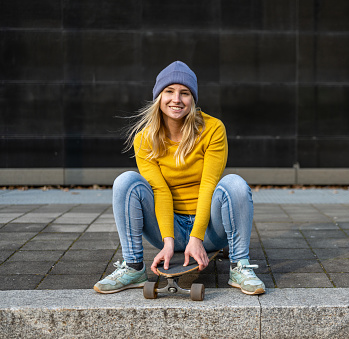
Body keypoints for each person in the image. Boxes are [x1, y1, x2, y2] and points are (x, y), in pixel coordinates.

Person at [93, 61, 265, 295]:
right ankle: (133, 267)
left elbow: (208, 186)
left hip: (209, 231)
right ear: (158, 97)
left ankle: (240, 266)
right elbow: (160, 191)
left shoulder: (213, 129)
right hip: (167, 226)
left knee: (234, 184)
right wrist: (168, 241)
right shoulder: (144, 139)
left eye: (184, 93)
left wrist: (196, 237)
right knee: (126, 181)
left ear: (193, 99)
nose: (176, 99)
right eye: (169, 92)